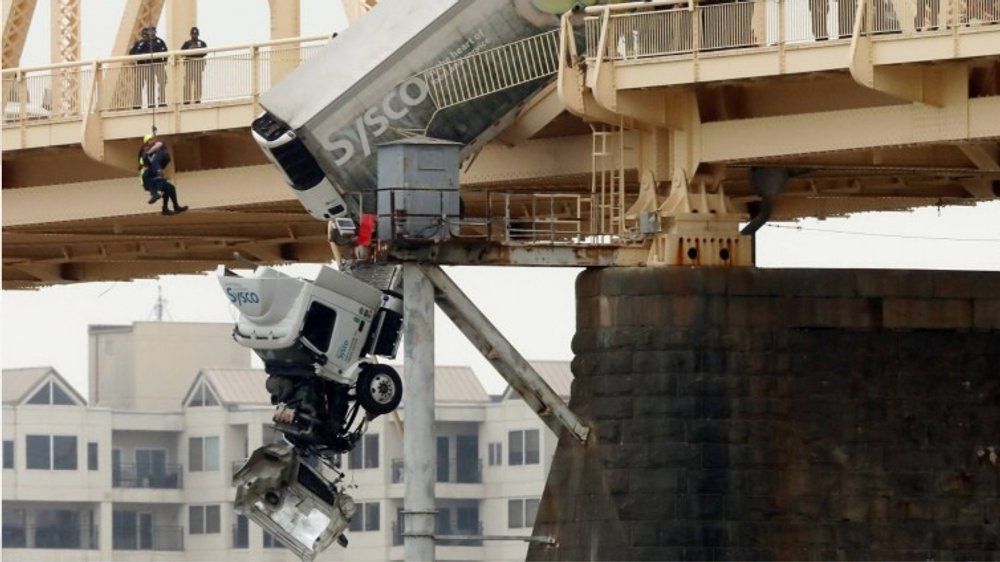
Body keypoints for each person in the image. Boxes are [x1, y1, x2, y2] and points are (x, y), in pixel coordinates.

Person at [139, 134, 187, 215]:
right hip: (149, 177)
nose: (152, 142)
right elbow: (143, 163)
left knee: (170, 188)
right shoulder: (145, 154)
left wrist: (149, 152)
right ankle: (154, 194)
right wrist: (147, 155)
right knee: (151, 174)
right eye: (149, 141)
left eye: (152, 140)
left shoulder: (158, 147)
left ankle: (170, 208)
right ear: (146, 143)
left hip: (156, 178)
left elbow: (159, 145)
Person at [180, 27, 207, 104]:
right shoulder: (187, 43)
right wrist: (189, 51)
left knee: (198, 83)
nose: (194, 35)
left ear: (198, 34)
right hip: (189, 66)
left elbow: (205, 52)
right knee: (188, 83)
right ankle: (186, 99)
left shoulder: (202, 43)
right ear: (190, 34)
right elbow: (181, 52)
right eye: (193, 33)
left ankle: (197, 99)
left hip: (198, 66)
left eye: (196, 34)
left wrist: (197, 51)